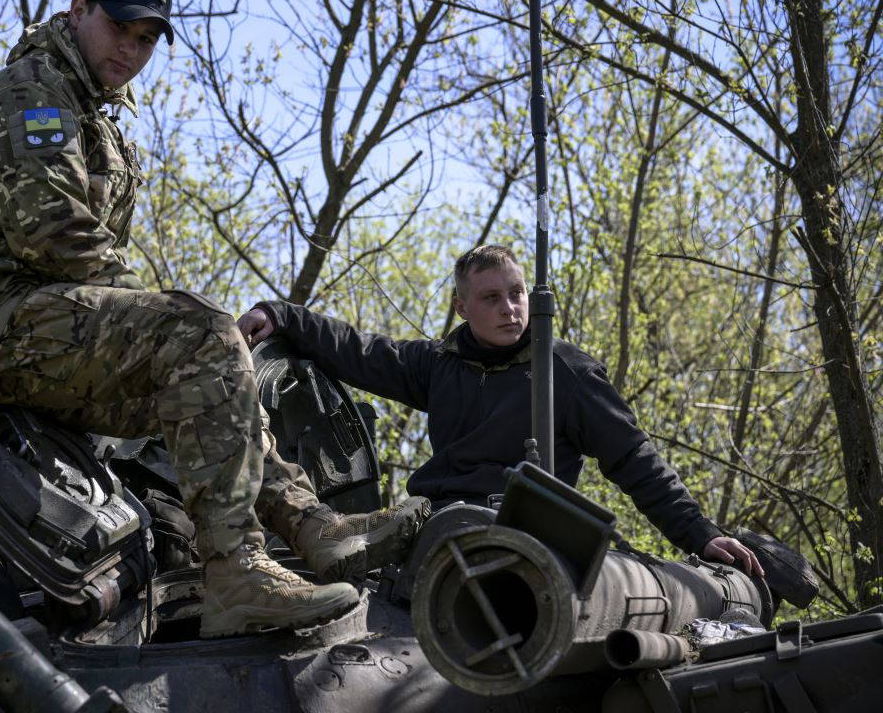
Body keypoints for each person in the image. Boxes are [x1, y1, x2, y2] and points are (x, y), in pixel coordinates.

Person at [0, 0, 429, 638]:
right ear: (77, 10)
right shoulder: (34, 91)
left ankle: (313, 526)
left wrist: (182, 333)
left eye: (149, 39)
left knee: (210, 377)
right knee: (201, 338)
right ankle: (237, 574)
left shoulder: (94, 110)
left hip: (39, 326)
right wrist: (182, 324)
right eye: (121, 28)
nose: (133, 48)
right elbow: (52, 231)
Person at [237, 244, 763, 576]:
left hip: (526, 531)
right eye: (491, 298)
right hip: (433, 527)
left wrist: (699, 533)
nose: (509, 309)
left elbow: (635, 460)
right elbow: (356, 349)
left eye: (516, 294)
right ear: (462, 308)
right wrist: (278, 314)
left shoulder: (567, 374)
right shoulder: (439, 365)